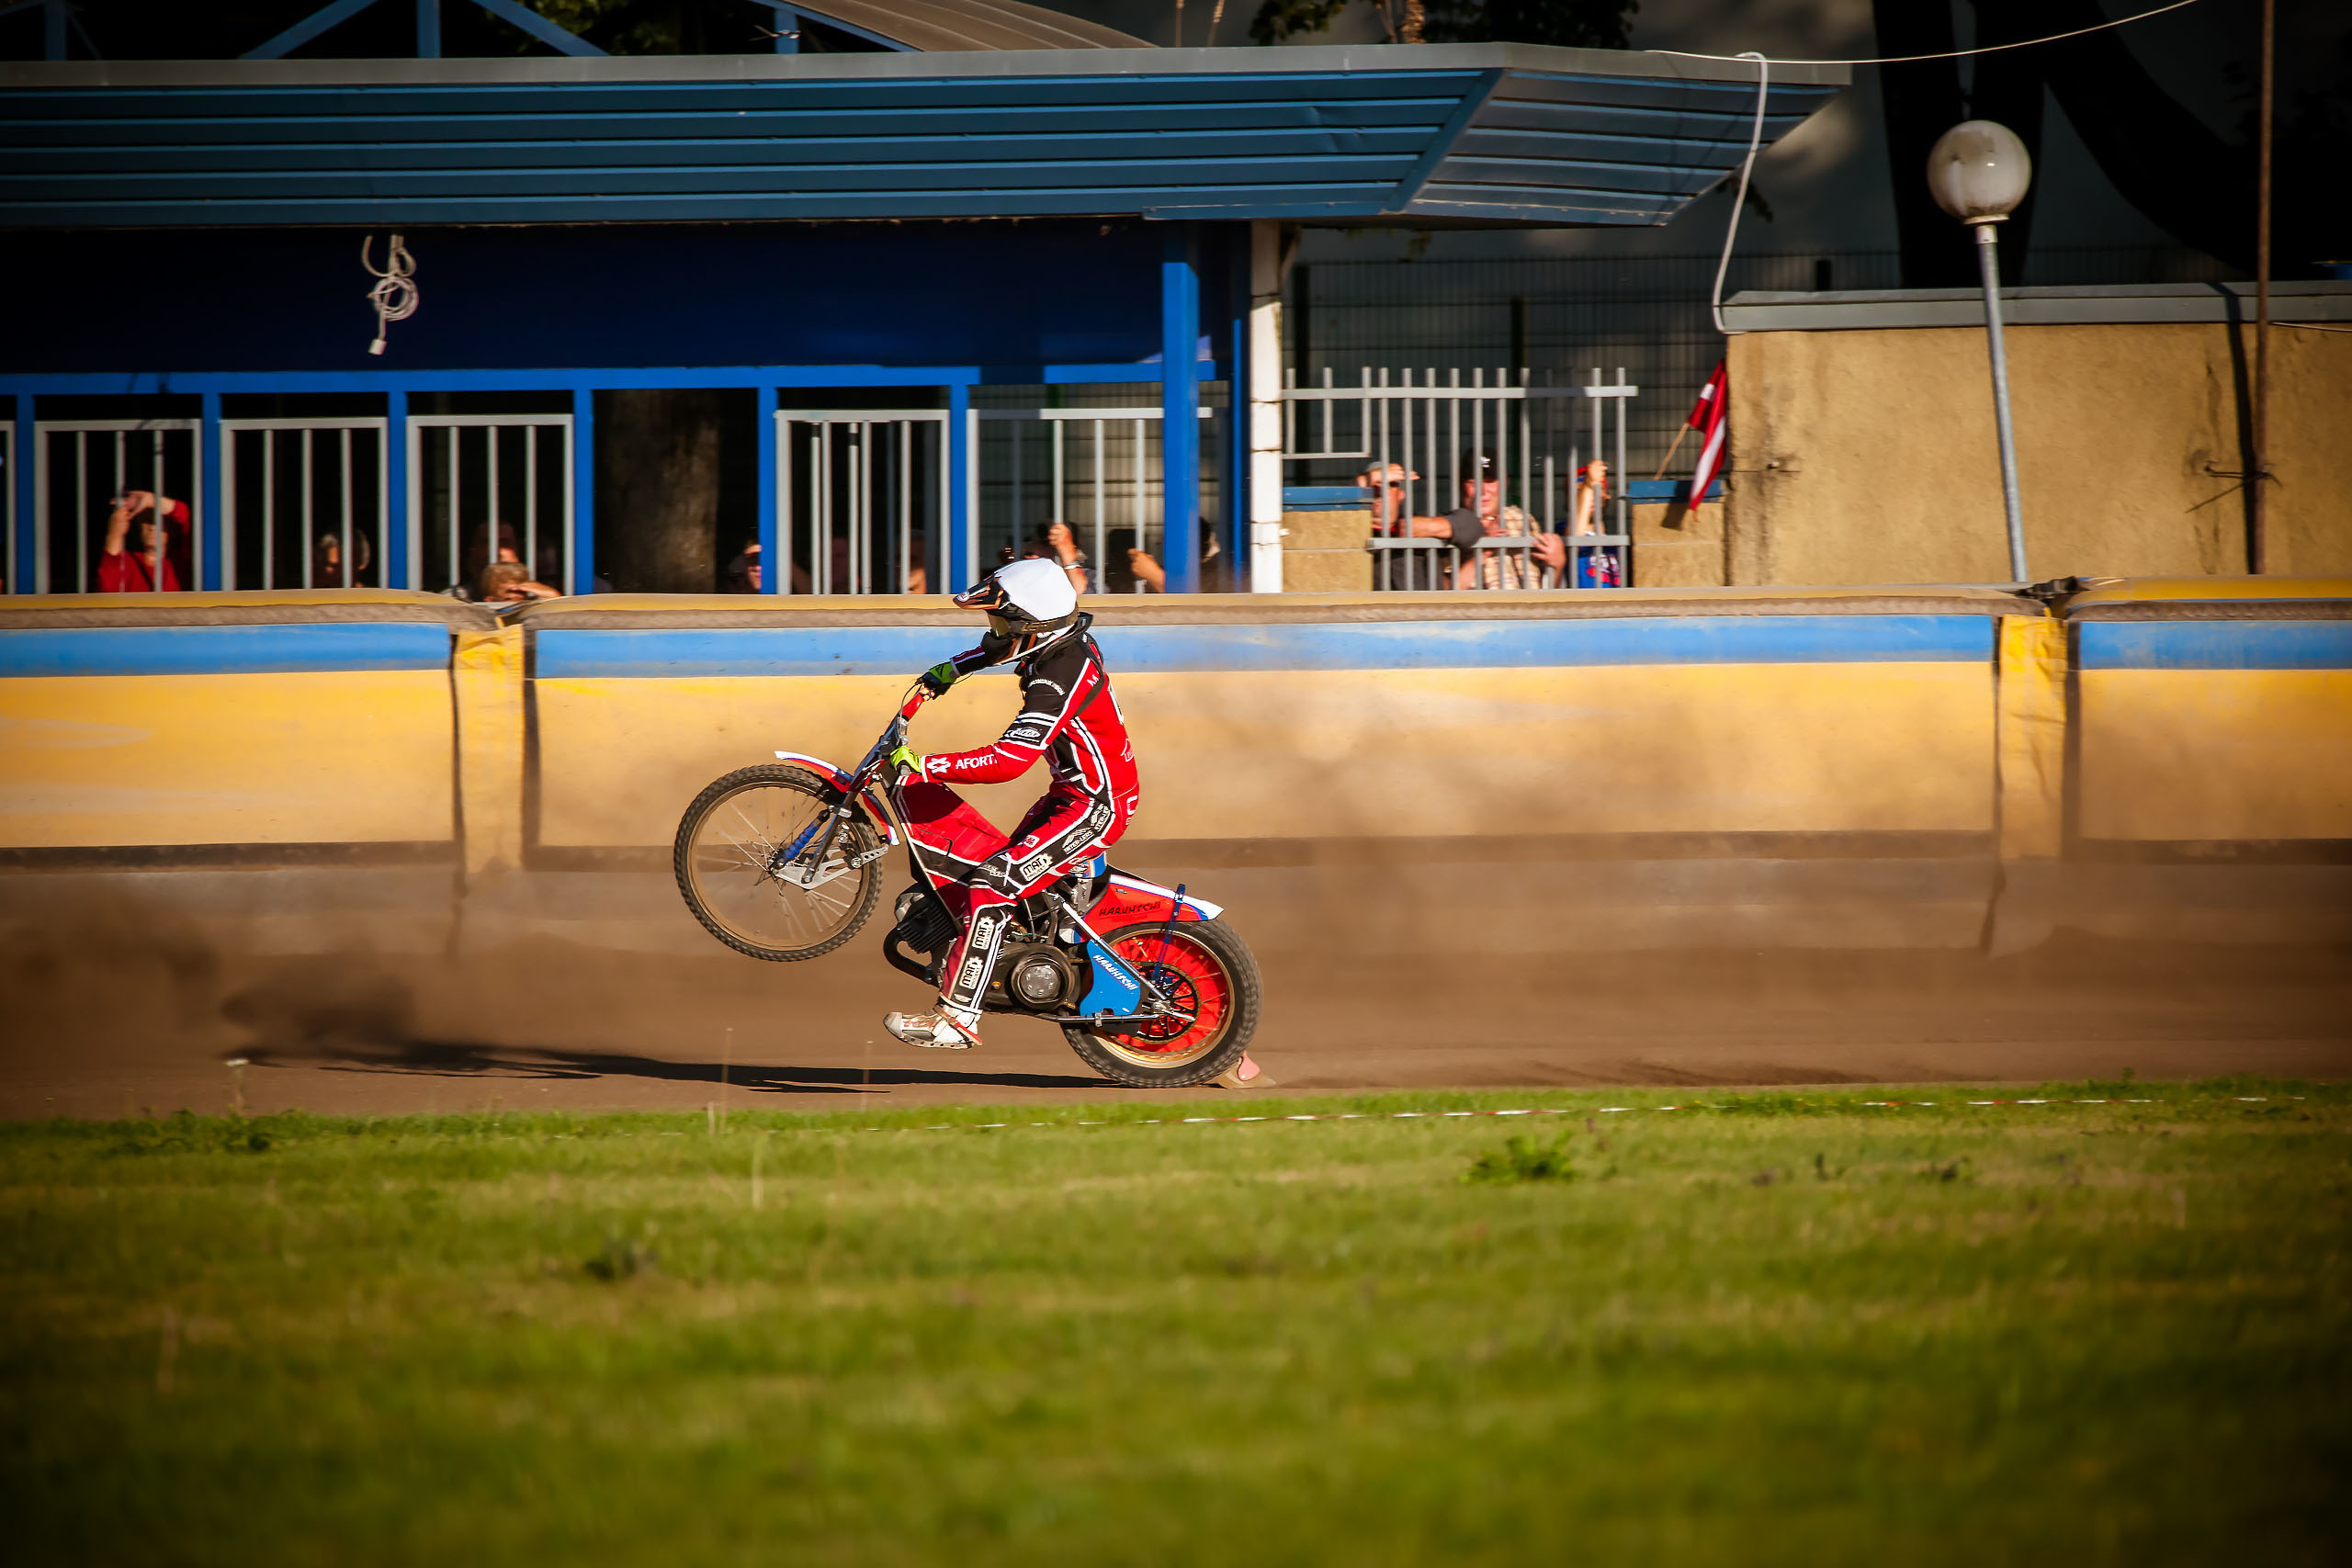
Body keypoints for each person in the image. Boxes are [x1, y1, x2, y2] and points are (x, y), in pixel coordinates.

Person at [878, 558, 1136, 1051]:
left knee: (994, 881)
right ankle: (1023, 953)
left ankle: (958, 1019)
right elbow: (998, 648)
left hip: (1094, 807)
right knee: (1011, 881)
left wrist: (925, 766)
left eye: (1002, 621)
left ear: (1033, 627)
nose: (994, 631)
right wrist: (950, 670)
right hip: (1071, 795)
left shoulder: (1058, 678)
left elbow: (1009, 760)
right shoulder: (1063, 644)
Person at [97, 491, 188, 592]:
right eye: (146, 520)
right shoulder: (128, 561)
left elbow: (191, 519)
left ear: (173, 529)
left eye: (159, 522)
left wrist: (151, 500)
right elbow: (107, 589)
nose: (152, 527)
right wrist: (115, 533)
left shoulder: (179, 562)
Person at [477, 559, 560, 603]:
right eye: (509, 599)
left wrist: (552, 594)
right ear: (490, 601)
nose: (518, 603)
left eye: (523, 599)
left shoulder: (531, 609)